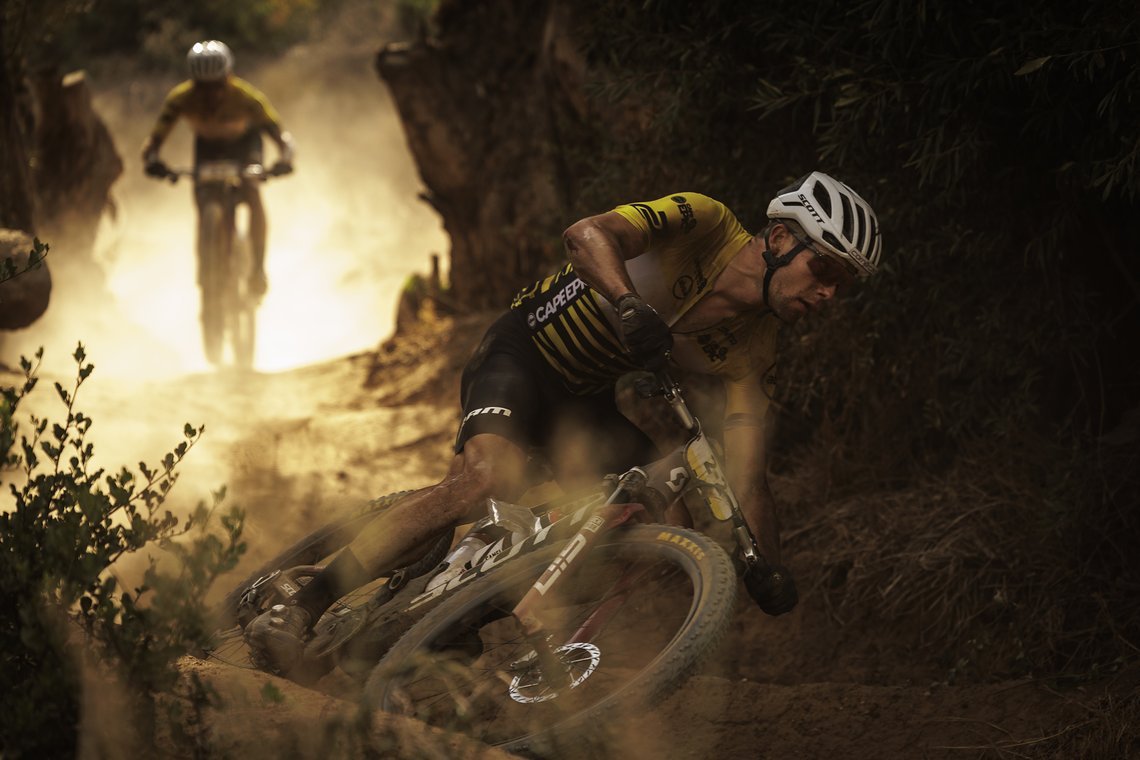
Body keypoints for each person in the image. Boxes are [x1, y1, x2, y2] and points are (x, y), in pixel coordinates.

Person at [246, 172, 882, 676]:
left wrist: (765, 565)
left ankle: (451, 618)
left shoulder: (756, 346)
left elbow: (749, 476)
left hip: (584, 402)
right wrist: (629, 302)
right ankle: (301, 603)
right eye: (824, 269)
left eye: (842, 284)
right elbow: (585, 234)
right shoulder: (705, 221)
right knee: (482, 480)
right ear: (778, 239)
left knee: (667, 526)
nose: (827, 293)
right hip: (523, 353)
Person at [141, 40, 295, 297]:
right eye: (203, 88)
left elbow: (280, 135)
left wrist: (285, 159)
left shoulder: (247, 97)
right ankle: (206, 267)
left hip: (245, 145)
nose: (211, 95)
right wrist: (152, 159)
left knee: (253, 191)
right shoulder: (180, 98)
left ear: (229, 77)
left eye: (217, 86)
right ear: (193, 83)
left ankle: (257, 269)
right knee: (202, 204)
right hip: (208, 148)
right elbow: (155, 139)